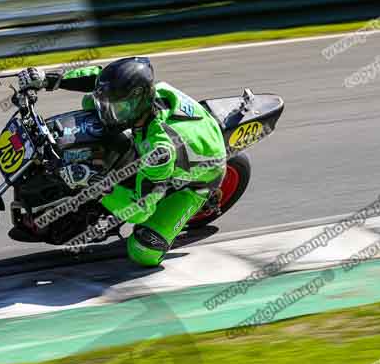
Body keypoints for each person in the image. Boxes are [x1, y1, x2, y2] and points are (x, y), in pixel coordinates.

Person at [17, 56, 227, 266]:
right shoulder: (136, 95)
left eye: (118, 108)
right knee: (91, 103)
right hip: (186, 132)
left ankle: (192, 204)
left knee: (143, 250)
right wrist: (48, 79)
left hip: (198, 176)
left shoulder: (158, 151)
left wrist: (93, 182)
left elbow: (140, 210)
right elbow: (99, 79)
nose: (108, 112)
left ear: (139, 101)